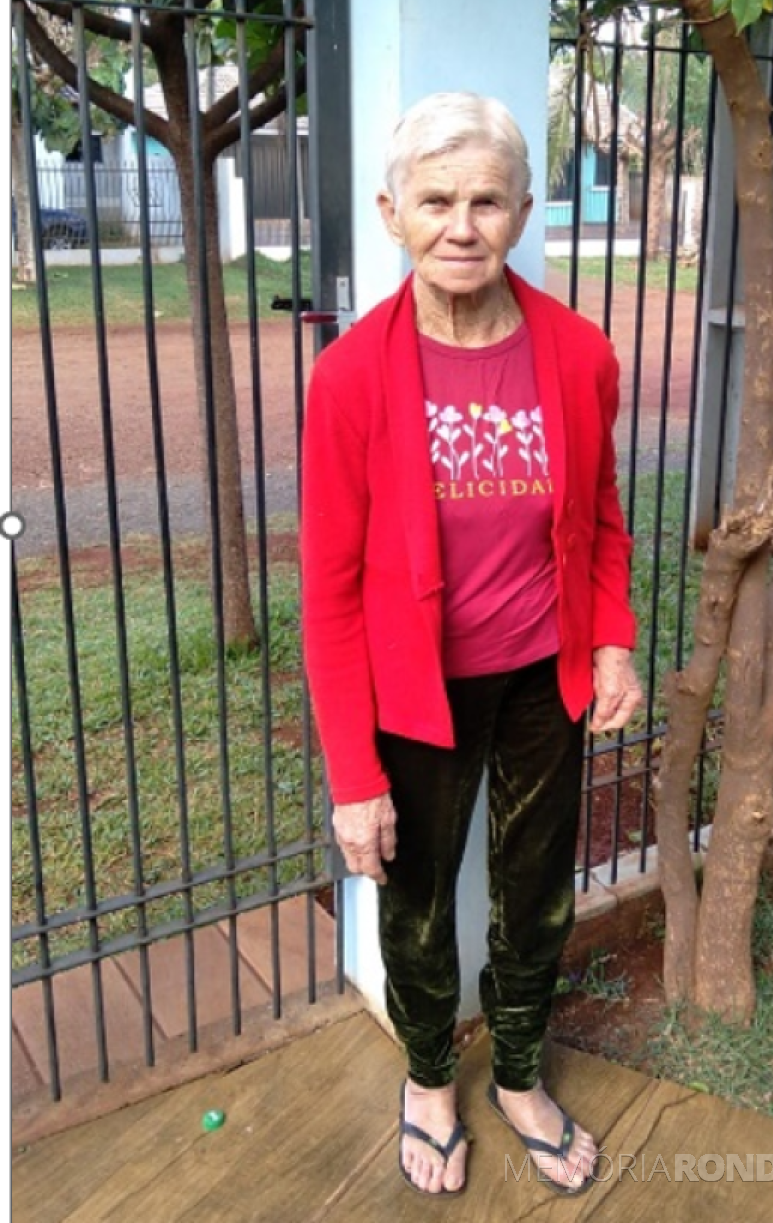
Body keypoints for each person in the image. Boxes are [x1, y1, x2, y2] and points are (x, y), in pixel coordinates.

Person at [301, 91, 642, 1196]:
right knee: (411, 895)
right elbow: (330, 592)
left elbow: (598, 516)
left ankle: (523, 1071)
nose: (461, 224)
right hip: (415, 698)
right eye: (437, 200)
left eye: (485, 199)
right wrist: (354, 777)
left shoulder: (579, 353)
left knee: (536, 887)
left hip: (544, 679)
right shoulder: (351, 376)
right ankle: (430, 1077)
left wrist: (612, 643)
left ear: (522, 209)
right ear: (392, 210)